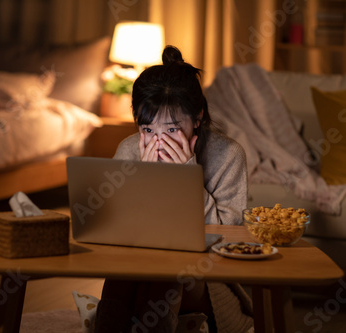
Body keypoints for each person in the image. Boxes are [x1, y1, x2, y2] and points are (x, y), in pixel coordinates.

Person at [94, 46, 253, 333]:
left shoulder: (228, 155)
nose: (158, 142)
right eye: (147, 130)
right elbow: (116, 233)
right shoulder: (130, 149)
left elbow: (226, 240)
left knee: (165, 272)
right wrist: (145, 178)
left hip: (207, 276)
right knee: (125, 275)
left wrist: (187, 178)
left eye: (171, 130)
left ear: (197, 117)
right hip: (138, 270)